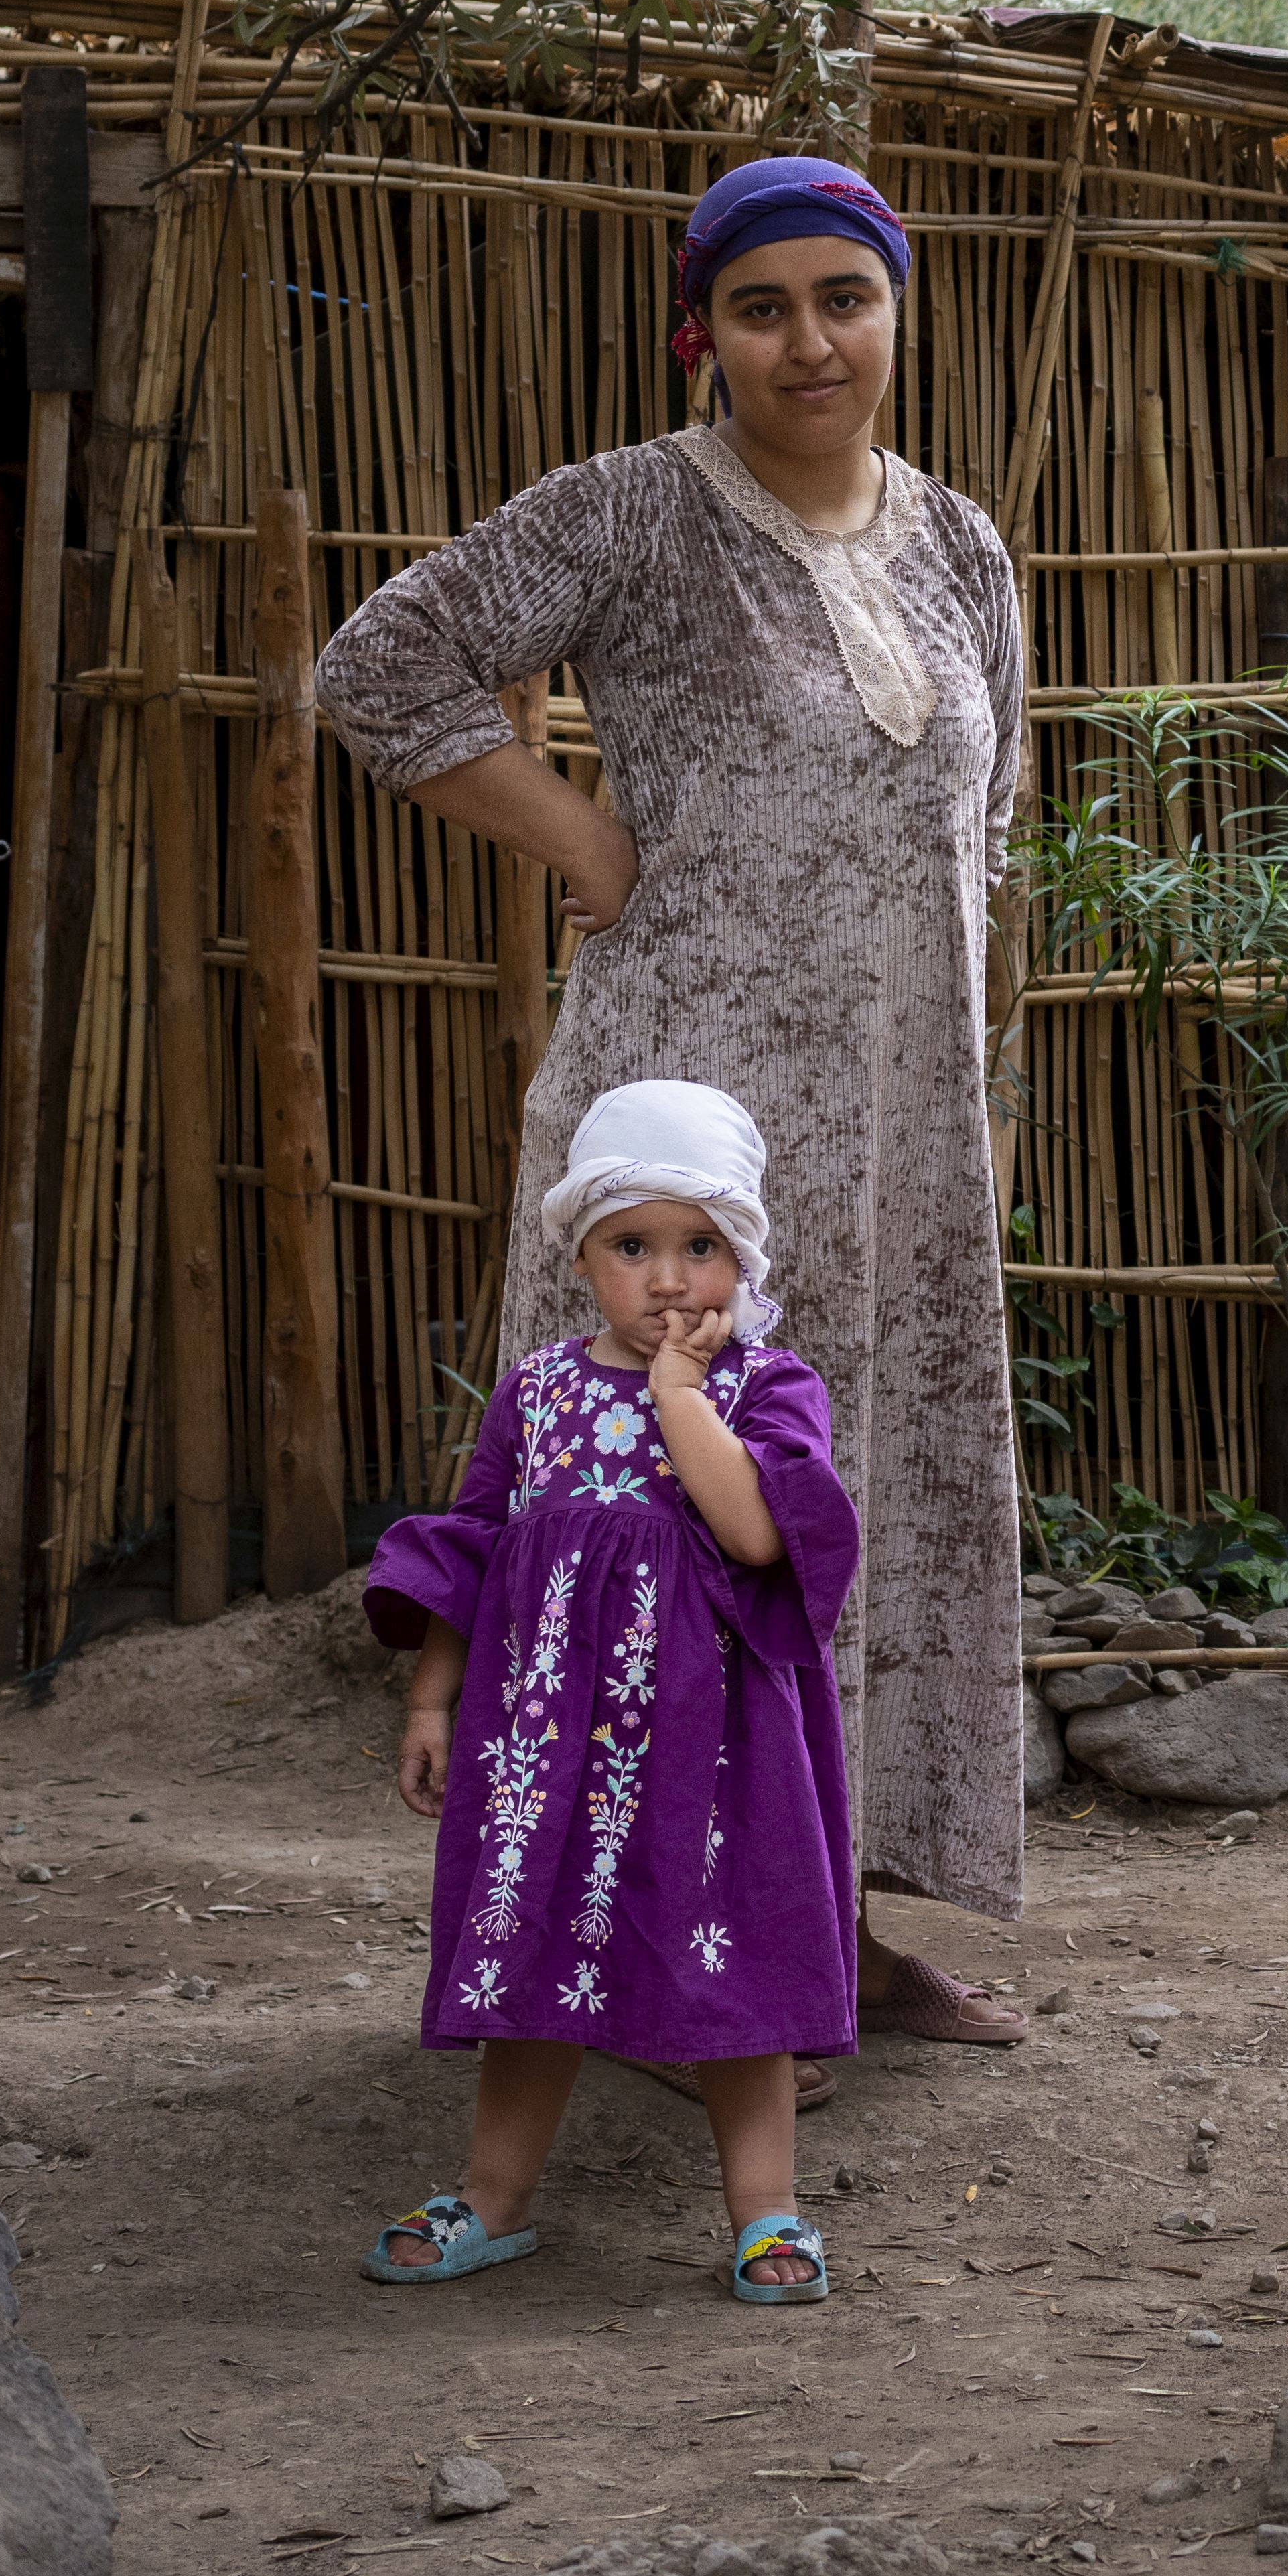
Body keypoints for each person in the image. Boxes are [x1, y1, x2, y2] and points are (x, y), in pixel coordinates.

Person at [314, 154, 1030, 2049]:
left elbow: (988, 833)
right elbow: (379, 665)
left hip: (899, 1142)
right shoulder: (635, 514)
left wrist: (979, 1107)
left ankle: (838, 1933)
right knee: (647, 1510)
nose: (812, 340)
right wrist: (584, 840)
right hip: (687, 1126)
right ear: (701, 332)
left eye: (847, 298)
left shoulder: (964, 550)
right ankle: (617, 1946)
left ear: (900, 309)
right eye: (764, 306)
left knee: (843, 1496)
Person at [358, 1079, 854, 2302]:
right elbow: (471, 1549)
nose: (672, 1281)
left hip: (716, 1752)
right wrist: (432, 1702)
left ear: (744, 1255)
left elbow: (752, 1535)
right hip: (548, 1746)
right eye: (634, 1247)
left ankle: (766, 2211)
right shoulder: (536, 1393)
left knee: (724, 1962)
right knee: (531, 1956)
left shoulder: (767, 1388)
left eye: (702, 1247)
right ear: (580, 1254)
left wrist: (680, 1399)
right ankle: (497, 2196)